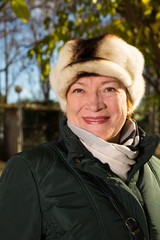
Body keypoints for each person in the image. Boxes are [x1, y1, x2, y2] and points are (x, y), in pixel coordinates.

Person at [0, 33, 160, 240]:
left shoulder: (156, 170)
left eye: (109, 88)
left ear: (129, 103)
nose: (94, 104)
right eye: (79, 90)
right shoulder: (31, 169)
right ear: (66, 104)